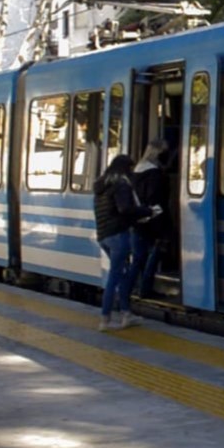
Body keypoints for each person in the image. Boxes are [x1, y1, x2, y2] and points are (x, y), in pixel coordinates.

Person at [93, 154, 154, 331]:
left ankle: (127, 314)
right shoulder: (121, 184)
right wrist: (147, 211)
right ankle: (105, 319)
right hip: (118, 235)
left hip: (104, 235)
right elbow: (125, 209)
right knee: (115, 277)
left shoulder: (101, 185)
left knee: (121, 275)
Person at [128, 141, 171, 300]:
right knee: (154, 253)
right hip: (153, 219)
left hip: (137, 219)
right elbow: (156, 198)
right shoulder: (154, 174)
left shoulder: (137, 171)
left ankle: (131, 288)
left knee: (138, 258)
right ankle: (145, 288)